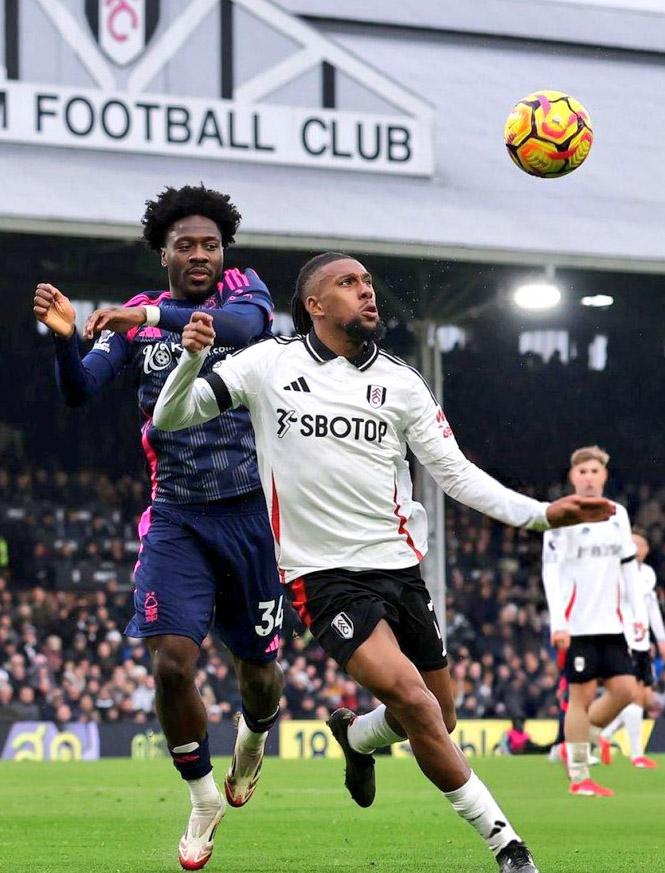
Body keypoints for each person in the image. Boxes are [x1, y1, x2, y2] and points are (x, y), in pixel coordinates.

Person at [152, 250, 616, 873]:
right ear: (314, 305)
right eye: (349, 283)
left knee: (437, 715)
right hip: (321, 576)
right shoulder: (267, 363)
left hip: (398, 568)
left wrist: (538, 514)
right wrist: (188, 360)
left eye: (369, 282)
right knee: (417, 704)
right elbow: (168, 418)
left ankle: (356, 735)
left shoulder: (401, 381)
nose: (367, 292)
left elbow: (454, 474)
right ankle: (509, 847)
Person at [33, 184, 284, 871]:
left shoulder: (243, 292)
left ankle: (253, 741)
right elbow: (79, 389)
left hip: (250, 516)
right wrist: (63, 344)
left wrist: (150, 311)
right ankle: (203, 796)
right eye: (186, 245)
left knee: (259, 676)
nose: (201, 253)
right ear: (163, 252)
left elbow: (244, 331)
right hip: (175, 517)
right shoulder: (136, 326)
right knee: (171, 663)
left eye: (210, 243)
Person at [542, 446, 648, 797]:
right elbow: (552, 573)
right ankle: (579, 776)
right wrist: (558, 623)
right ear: (573, 477)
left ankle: (580, 739)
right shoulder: (560, 517)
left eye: (594, 471)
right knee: (581, 696)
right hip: (578, 627)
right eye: (582, 472)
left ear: (604, 476)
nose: (588, 477)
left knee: (626, 691)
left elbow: (628, 569)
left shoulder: (618, 514)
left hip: (613, 624)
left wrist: (640, 621)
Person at [599, 527, 665, 768]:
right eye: (634, 544)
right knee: (633, 695)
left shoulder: (647, 573)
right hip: (624, 639)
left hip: (642, 641)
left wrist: (661, 639)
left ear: (647, 550)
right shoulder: (617, 572)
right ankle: (636, 754)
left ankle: (604, 736)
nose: (638, 549)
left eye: (642, 545)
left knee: (644, 697)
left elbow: (651, 609)